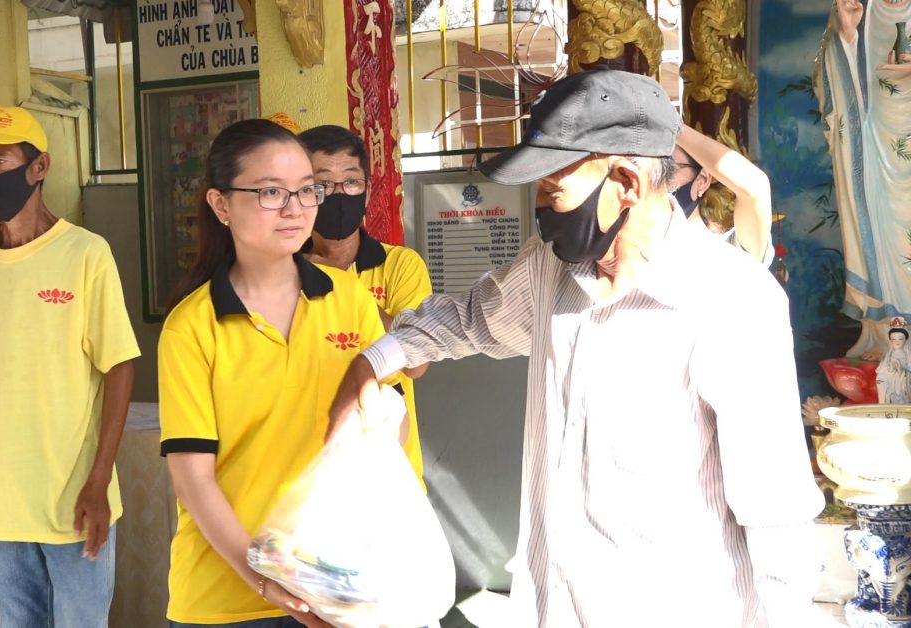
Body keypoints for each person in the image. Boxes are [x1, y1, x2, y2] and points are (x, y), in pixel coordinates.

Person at [328, 70, 827, 627]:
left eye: (552, 191)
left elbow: (775, 508)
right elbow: (470, 319)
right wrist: (376, 359)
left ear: (626, 183)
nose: (542, 212)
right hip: (555, 607)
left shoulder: (730, 299)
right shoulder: (551, 271)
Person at [158, 118, 420, 627]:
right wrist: (264, 580)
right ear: (220, 205)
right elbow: (193, 480)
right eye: (271, 192)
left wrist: (384, 421)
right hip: (224, 596)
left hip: (333, 580)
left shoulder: (351, 300)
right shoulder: (191, 326)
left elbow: (394, 424)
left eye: (306, 190)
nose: (296, 208)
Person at [0, 104, 140, 627]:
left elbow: (120, 366)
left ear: (40, 167)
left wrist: (99, 480)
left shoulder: (85, 253)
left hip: (73, 495)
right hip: (2, 492)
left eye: (0, 161)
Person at [298, 124, 431, 477]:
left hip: (390, 473)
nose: (339, 194)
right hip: (308, 472)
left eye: (351, 182)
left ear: (367, 191)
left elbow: (416, 365)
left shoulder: (401, 265)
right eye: (323, 185)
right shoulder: (283, 274)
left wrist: (342, 285)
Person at [816, 0, 911, 356]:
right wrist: (847, 34)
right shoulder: (859, 8)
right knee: (879, 221)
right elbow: (835, 88)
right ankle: (888, 331)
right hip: (872, 151)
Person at [670, 124, 773, 265]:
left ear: (702, 180)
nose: (657, 175)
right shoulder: (644, 246)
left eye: (669, 167)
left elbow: (755, 186)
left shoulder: (730, 252)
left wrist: (673, 127)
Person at [876, 318, 911, 403]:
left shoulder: (908, 355)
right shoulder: (888, 355)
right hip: (890, 381)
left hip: (904, 383)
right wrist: (889, 370)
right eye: (894, 339)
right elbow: (881, 370)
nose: (897, 342)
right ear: (890, 340)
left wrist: (902, 367)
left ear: (906, 339)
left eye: (900, 339)